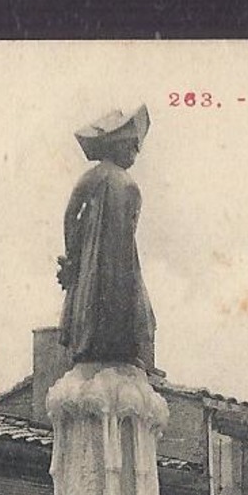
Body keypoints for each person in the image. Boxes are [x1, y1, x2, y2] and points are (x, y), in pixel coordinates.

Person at [58, 106, 157, 370]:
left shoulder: (90, 178)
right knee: (121, 307)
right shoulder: (128, 185)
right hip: (120, 264)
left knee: (92, 307)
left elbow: (70, 216)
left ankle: (97, 345)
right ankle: (117, 346)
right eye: (132, 148)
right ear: (118, 146)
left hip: (95, 263)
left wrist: (73, 254)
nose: (135, 155)